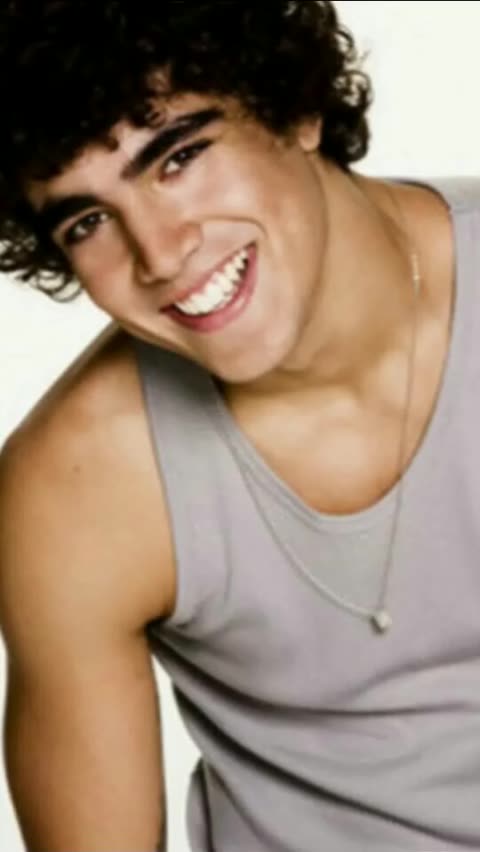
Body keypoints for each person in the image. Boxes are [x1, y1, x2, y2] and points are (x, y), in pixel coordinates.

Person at [0, 1, 479, 850]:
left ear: (294, 108)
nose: (160, 253)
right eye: (88, 220)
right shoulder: (80, 488)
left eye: (179, 157)